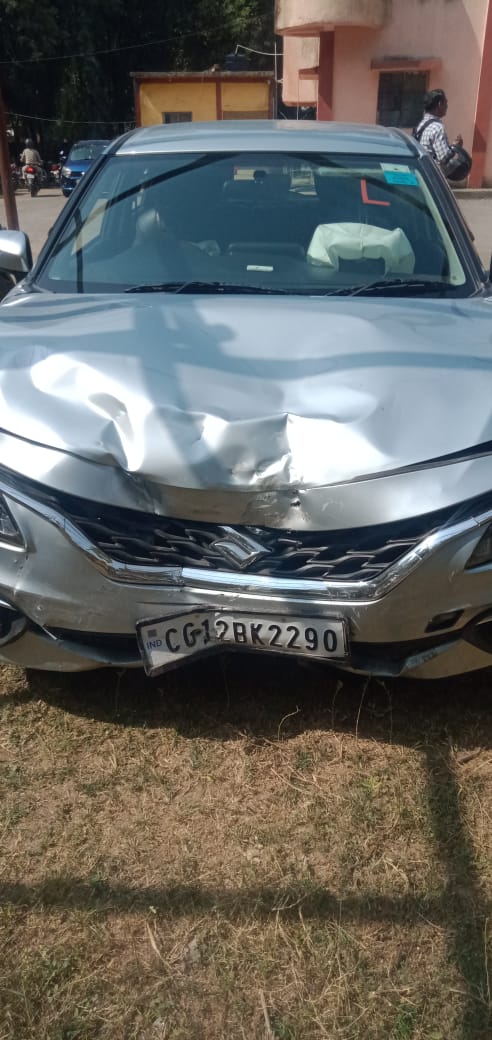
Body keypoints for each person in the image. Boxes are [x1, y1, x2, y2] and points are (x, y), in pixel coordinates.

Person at [413, 89, 463, 170]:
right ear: (440, 104)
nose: (447, 106)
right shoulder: (437, 128)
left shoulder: (420, 125)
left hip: (420, 170)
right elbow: (443, 158)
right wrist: (455, 147)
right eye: (446, 103)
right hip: (431, 173)